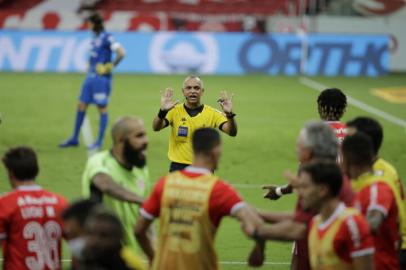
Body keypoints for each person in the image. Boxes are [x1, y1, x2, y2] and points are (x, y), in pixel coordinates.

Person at [134, 128, 263, 269]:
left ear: (193, 149)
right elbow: (253, 223)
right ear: (215, 151)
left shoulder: (165, 184)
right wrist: (259, 248)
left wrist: (153, 256)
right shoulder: (219, 190)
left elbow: (139, 229)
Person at [257, 121, 354, 270]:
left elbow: (299, 228)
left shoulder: (321, 186)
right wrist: (257, 214)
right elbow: (301, 218)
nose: (296, 149)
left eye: (299, 145)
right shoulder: (320, 178)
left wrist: (258, 229)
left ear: (309, 152)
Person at [254, 160, 374, 270]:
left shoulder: (352, 224)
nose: (299, 193)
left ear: (322, 190)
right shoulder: (315, 222)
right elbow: (292, 228)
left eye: (304, 187)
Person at [264, 87, 348, 200]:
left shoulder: (315, 133)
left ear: (321, 107)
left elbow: (301, 177)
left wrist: (278, 191)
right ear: (343, 109)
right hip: (346, 194)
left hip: (320, 196)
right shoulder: (351, 132)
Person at [81, 116, 149, 253]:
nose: (146, 141)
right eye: (139, 136)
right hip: (102, 252)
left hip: (131, 254)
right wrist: (144, 201)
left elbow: (143, 214)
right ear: (121, 139)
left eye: (145, 135)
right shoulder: (100, 162)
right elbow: (105, 185)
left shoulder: (141, 169)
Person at [60, 12, 125, 150]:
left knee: (101, 108)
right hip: (90, 77)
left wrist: (110, 66)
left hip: (101, 79)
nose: (88, 25)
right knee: (81, 105)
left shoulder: (107, 37)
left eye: (89, 23)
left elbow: (121, 53)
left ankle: (99, 141)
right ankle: (74, 138)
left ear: (95, 23)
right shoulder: (94, 38)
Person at [346, 116, 406, 268]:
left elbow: (375, 218)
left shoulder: (381, 173)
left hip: (391, 248)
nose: (345, 143)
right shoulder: (360, 172)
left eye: (350, 138)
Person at [0, 146, 68, 270]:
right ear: (37, 170)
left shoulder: (5, 204)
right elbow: (80, 245)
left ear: (11, 173)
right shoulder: (60, 202)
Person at [152, 75, 238, 172]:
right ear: (183, 91)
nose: (192, 91)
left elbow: (232, 132)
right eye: (188, 88)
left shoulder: (212, 113)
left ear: (202, 92)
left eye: (196, 88)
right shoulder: (174, 111)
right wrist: (162, 112)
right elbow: (156, 127)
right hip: (178, 167)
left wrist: (229, 114)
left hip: (204, 166)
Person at [62, 199, 145, 270]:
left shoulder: (130, 262)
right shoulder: (83, 263)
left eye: (103, 236)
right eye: (69, 236)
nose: (94, 242)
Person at [78, 209, 143, 270]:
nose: (93, 242)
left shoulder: (132, 262)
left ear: (118, 239)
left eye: (103, 236)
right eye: (89, 234)